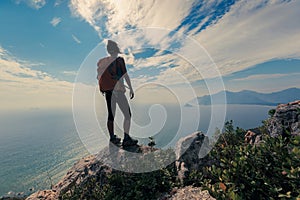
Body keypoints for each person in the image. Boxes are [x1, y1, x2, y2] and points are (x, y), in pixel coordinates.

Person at [97, 40, 138, 146]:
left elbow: (99, 77)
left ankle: (112, 138)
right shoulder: (119, 60)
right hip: (118, 91)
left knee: (111, 115)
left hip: (108, 92)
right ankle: (126, 139)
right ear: (117, 50)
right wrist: (131, 88)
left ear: (108, 50)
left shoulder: (103, 62)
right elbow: (125, 75)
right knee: (127, 115)